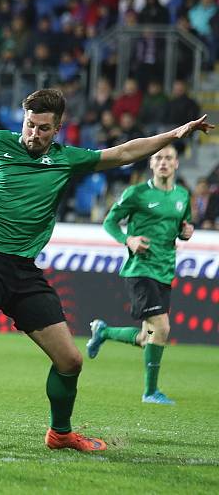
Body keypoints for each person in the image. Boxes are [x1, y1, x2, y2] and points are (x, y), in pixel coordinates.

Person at [0, 88, 212, 453]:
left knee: (70, 360)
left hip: (25, 270)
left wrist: (173, 135)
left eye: (43, 128)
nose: (33, 134)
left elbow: (123, 152)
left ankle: (60, 433)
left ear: (57, 129)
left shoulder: (67, 159)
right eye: (29, 125)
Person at [87, 145, 193, 405]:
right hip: (140, 269)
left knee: (149, 338)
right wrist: (128, 239)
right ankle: (150, 392)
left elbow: (182, 226)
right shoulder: (137, 193)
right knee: (162, 327)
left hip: (165, 270)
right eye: (158, 158)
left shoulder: (182, 195)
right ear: (151, 164)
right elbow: (109, 221)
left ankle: (104, 332)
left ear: (177, 164)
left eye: (168, 158)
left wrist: (186, 233)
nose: (163, 162)